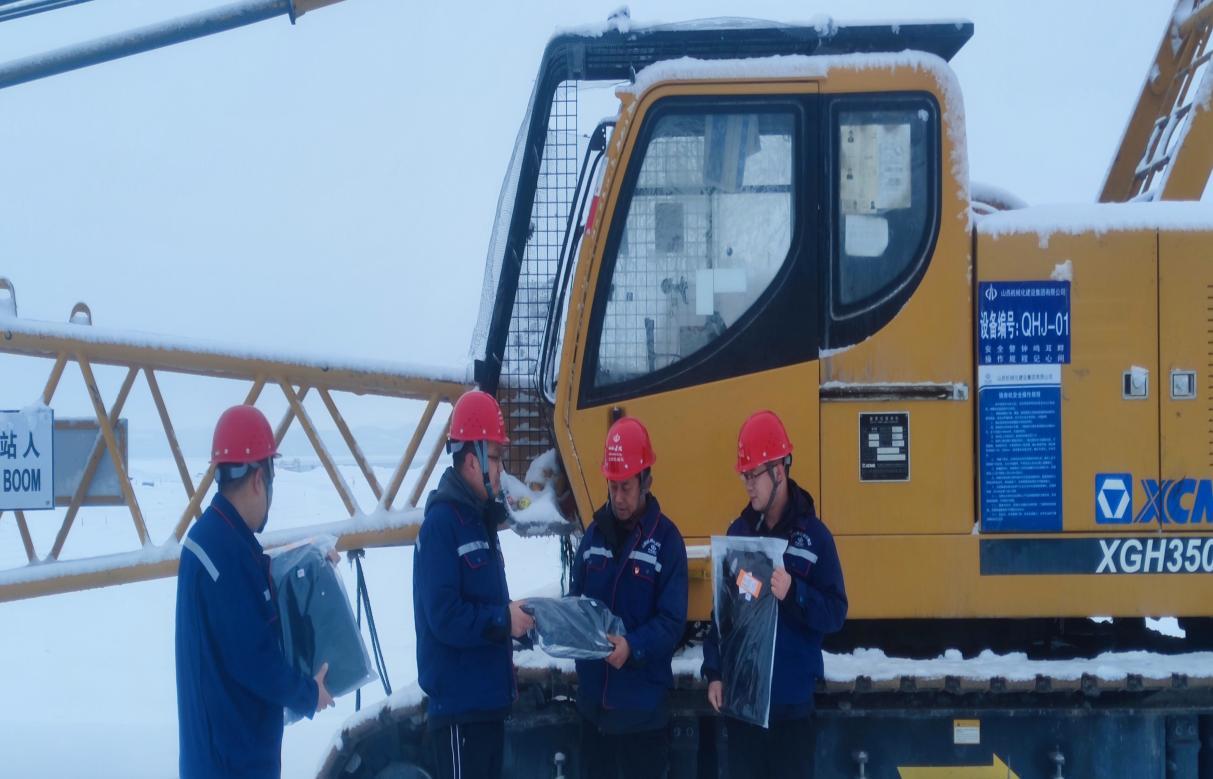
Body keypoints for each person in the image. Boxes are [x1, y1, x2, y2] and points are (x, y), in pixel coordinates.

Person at [176, 404, 334, 779]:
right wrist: (309, 694)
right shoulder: (223, 555)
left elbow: (257, 580)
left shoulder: (218, 540)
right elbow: (253, 658)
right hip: (231, 764)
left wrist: (312, 560)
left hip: (225, 757)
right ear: (259, 479)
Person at [702, 410, 848, 778]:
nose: (748, 484)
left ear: (778, 472)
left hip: (791, 712)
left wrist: (795, 593)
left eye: (754, 475)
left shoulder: (815, 538)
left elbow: (835, 612)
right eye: (744, 475)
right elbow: (722, 615)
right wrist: (715, 673)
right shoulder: (740, 534)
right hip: (744, 710)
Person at [413, 390, 534, 779]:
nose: (500, 469)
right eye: (495, 457)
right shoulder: (442, 526)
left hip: (485, 706)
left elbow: (482, 601)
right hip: (459, 713)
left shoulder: (477, 522)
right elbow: (444, 617)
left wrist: (519, 619)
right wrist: (503, 620)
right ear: (472, 460)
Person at [570, 416, 689, 779]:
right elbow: (576, 603)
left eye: (626, 487)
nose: (618, 498)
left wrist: (632, 647)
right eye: (612, 486)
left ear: (646, 481)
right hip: (594, 715)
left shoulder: (667, 541)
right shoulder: (593, 538)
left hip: (642, 719)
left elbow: (671, 622)